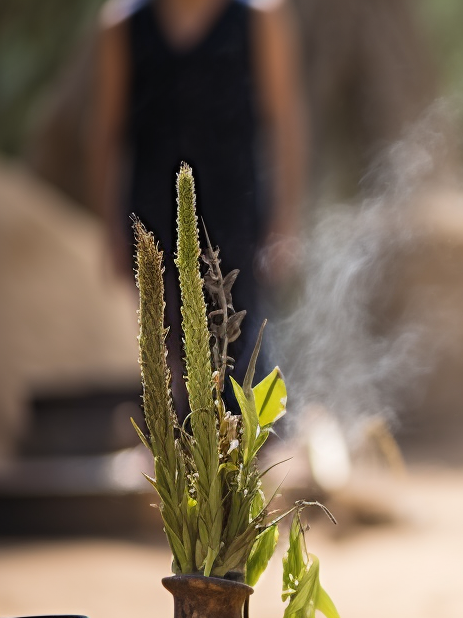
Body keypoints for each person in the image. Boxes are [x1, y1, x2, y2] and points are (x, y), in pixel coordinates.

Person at [88, 0, 305, 381]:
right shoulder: (122, 26)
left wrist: (285, 220)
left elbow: (287, 120)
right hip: (152, 218)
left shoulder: (259, 19)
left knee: (237, 347)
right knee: (165, 355)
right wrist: (109, 229)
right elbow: (106, 132)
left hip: (236, 217)